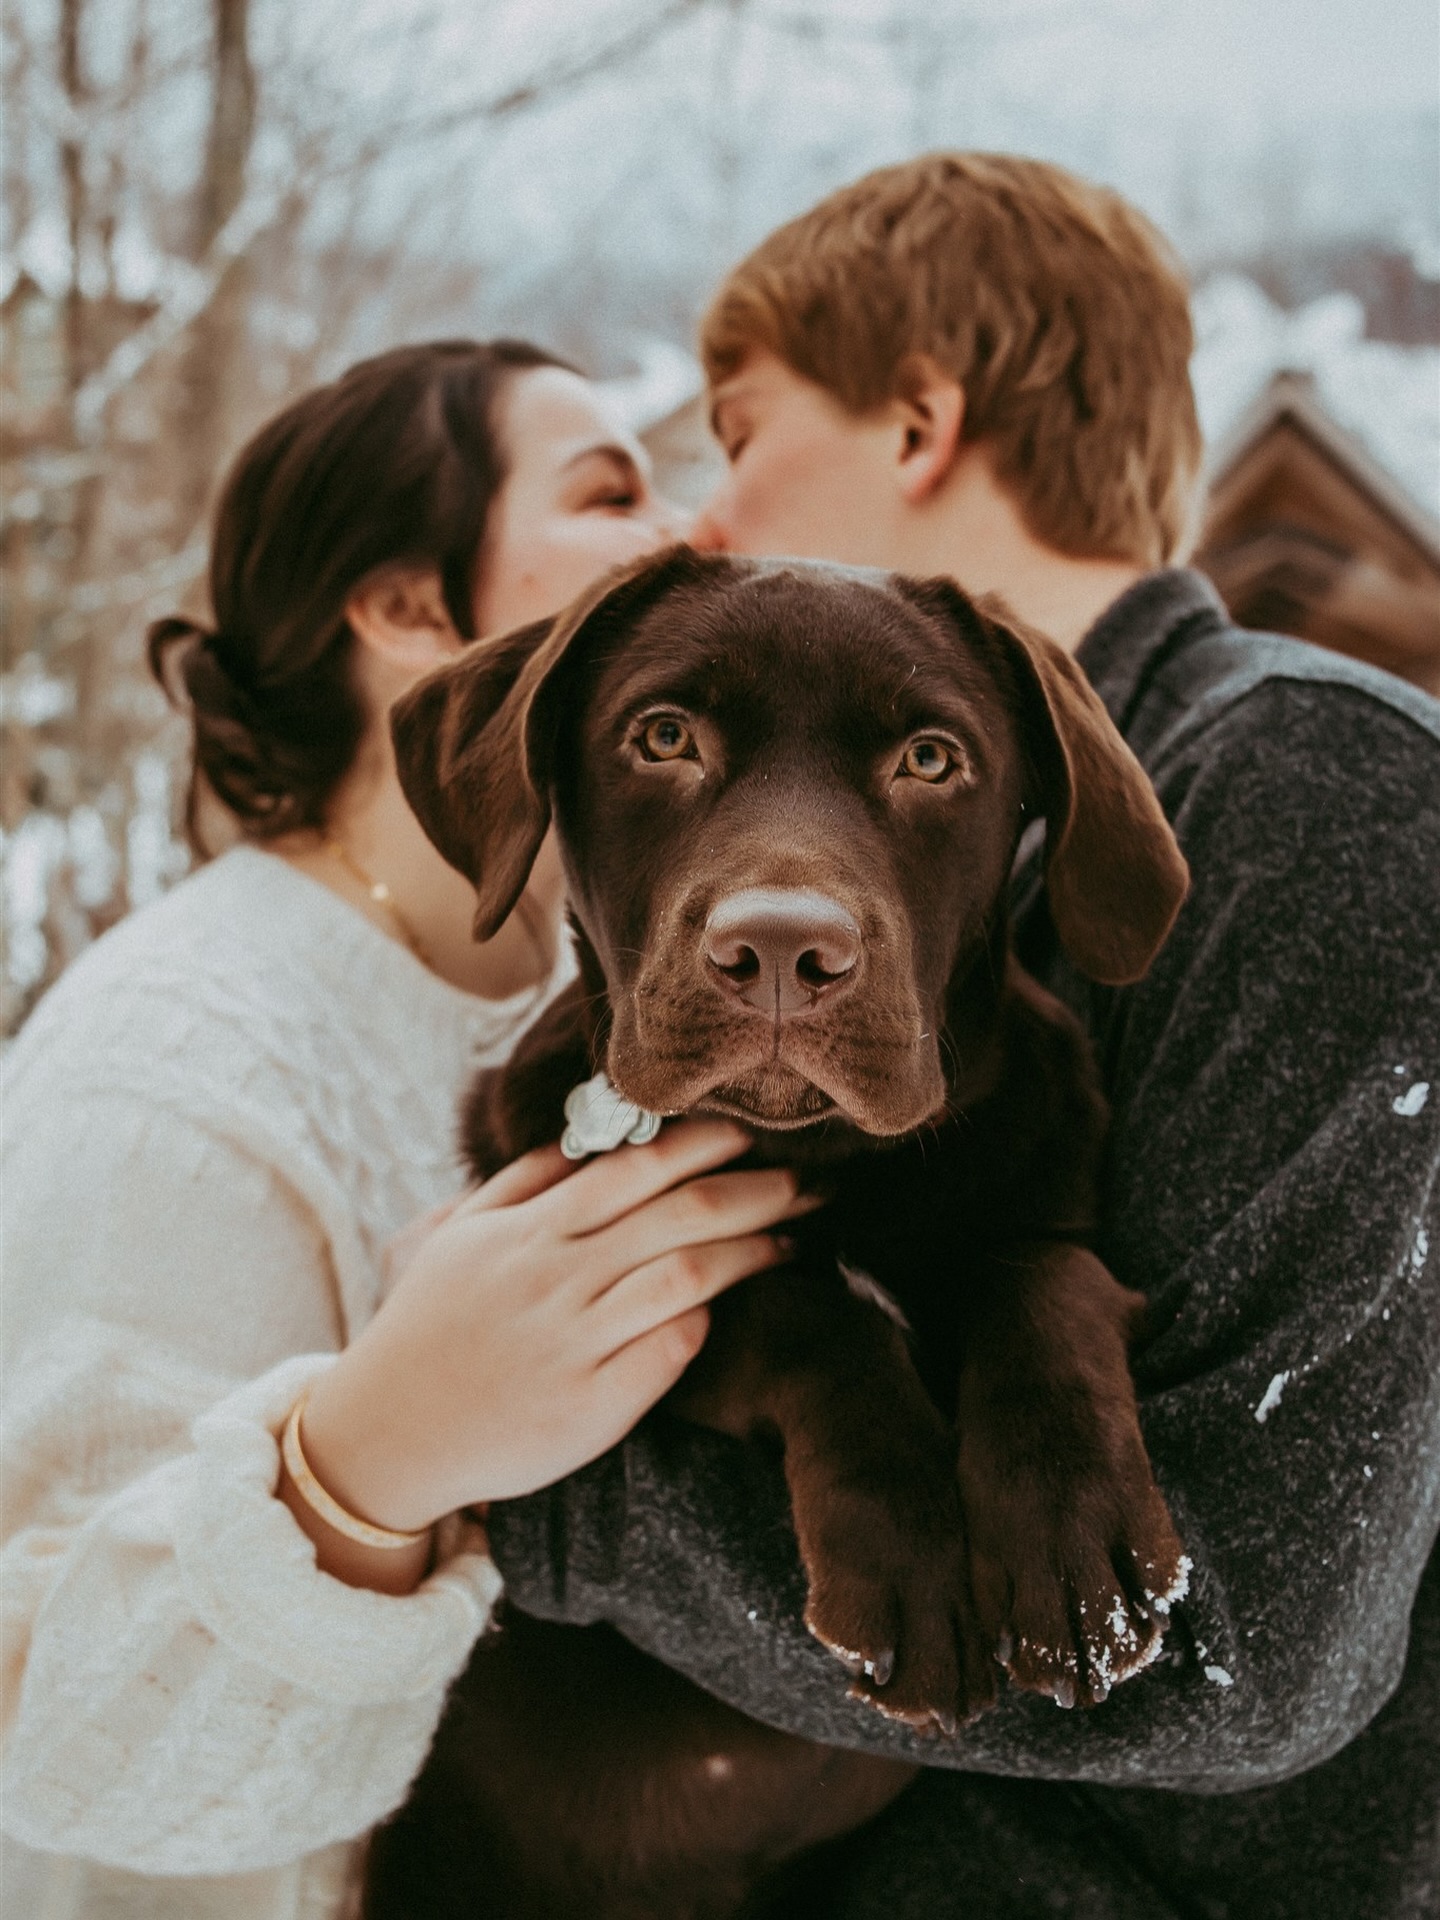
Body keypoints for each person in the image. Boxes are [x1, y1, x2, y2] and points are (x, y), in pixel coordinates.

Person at [486, 156, 1440, 1918]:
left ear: (918, 423)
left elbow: (1257, 1642)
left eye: (741, 430)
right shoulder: (997, 873)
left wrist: (508, 1502)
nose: (709, 513)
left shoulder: (1323, 792)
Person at [0, 338, 814, 1920]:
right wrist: (367, 1464)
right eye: (611, 491)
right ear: (405, 611)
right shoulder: (167, 1069)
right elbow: (45, 1717)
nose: (699, 531)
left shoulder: (602, 976)